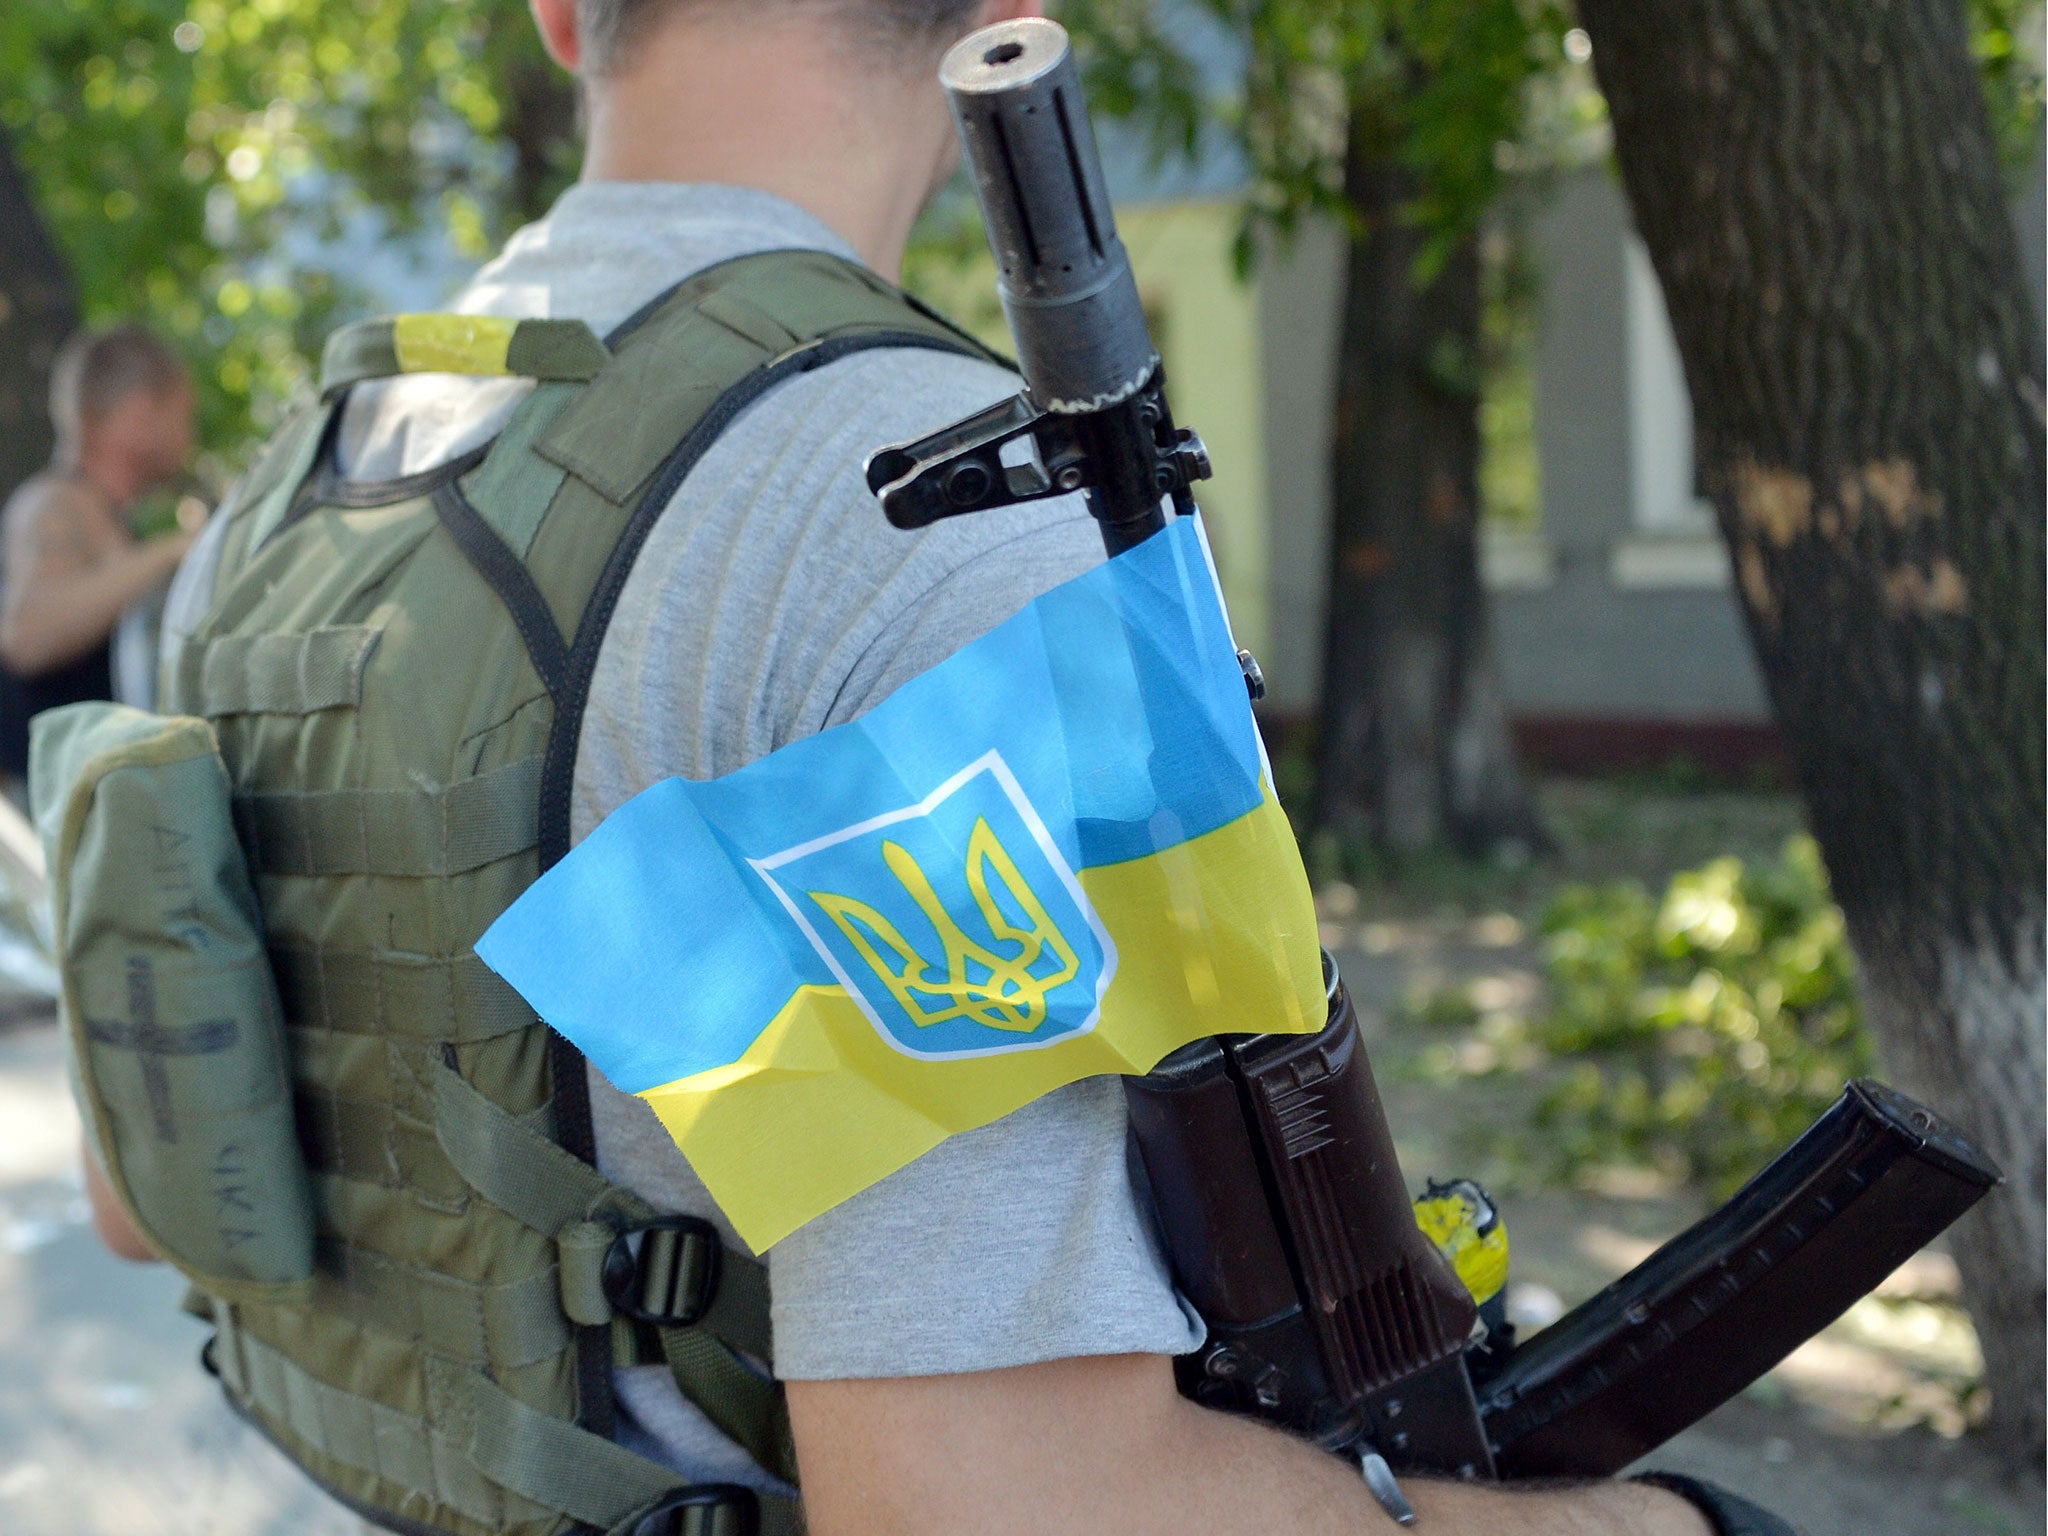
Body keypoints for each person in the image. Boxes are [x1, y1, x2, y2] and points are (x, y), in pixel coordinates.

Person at [84, 1, 1793, 1532]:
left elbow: (146, 1199)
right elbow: (988, 1510)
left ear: (558, 13)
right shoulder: (937, 527)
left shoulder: (289, 497)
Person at [0, 323, 197, 776]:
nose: (189, 433)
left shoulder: (105, 521)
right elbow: (25, 636)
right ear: (141, 414)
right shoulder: (54, 502)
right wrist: (174, 550)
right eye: (183, 412)